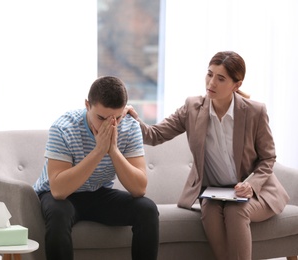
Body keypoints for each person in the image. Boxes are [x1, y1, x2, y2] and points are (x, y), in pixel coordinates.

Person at [123, 51, 289, 260]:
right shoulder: (193, 107)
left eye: (221, 79)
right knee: (210, 214)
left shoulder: (254, 112)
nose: (211, 82)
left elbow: (268, 158)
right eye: (209, 74)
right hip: (214, 193)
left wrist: (251, 184)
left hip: (254, 192)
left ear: (236, 85)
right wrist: (132, 120)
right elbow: (155, 135)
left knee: (235, 212)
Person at [33, 76, 159, 260]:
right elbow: (59, 190)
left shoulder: (129, 127)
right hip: (61, 196)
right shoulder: (63, 128)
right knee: (59, 212)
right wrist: (99, 151)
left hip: (98, 192)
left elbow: (139, 188)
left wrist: (113, 150)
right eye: (101, 117)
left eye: (115, 118)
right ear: (87, 105)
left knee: (147, 209)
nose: (108, 125)